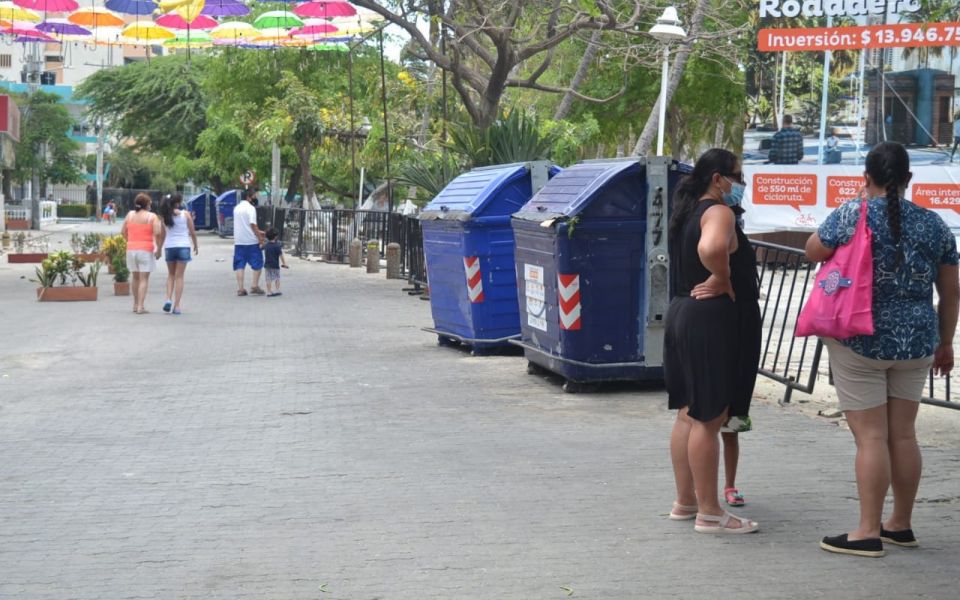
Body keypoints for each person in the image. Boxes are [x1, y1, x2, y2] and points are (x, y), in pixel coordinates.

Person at [806, 142, 959, 558]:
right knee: (904, 434)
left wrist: (855, 205)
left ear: (866, 177)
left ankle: (867, 531)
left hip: (861, 339)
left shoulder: (852, 214)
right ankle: (901, 525)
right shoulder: (934, 225)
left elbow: (812, 250)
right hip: (917, 341)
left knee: (871, 437)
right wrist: (945, 342)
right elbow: (950, 291)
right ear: (909, 180)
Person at [663, 148, 762, 534]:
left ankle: (686, 501)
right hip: (712, 319)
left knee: (688, 413)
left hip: (683, 312)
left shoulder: (686, 211)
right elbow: (711, 248)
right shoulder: (718, 212)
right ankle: (709, 512)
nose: (741, 185)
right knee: (710, 417)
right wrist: (722, 278)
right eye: (737, 177)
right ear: (718, 179)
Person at [158, 193, 199, 315]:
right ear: (178, 203)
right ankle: (177, 306)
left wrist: (159, 249)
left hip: (170, 248)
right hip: (183, 247)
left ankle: (168, 299)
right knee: (179, 277)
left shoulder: (165, 217)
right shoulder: (185, 214)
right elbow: (192, 231)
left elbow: (162, 235)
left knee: (171, 275)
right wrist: (196, 245)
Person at [120, 193, 162, 314]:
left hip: (131, 249)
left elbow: (123, 231)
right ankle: (140, 307)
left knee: (135, 277)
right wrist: (158, 248)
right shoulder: (152, 217)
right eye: (150, 203)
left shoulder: (130, 215)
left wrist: (129, 241)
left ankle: (135, 304)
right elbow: (158, 233)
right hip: (146, 249)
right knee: (144, 279)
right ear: (147, 204)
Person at [233, 188, 265, 296]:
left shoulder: (236, 209)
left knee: (239, 265)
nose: (255, 198)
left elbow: (244, 225)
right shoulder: (251, 208)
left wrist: (259, 231)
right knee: (258, 263)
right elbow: (252, 224)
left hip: (239, 241)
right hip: (251, 241)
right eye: (254, 196)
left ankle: (240, 289)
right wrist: (260, 237)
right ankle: (255, 285)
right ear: (248, 197)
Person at [262, 228, 288, 297]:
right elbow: (281, 255)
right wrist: (284, 263)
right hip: (275, 266)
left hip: (267, 266)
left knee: (268, 279)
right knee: (277, 278)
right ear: (275, 236)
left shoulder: (266, 245)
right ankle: (277, 290)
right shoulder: (277, 246)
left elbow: (260, 247)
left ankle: (269, 291)